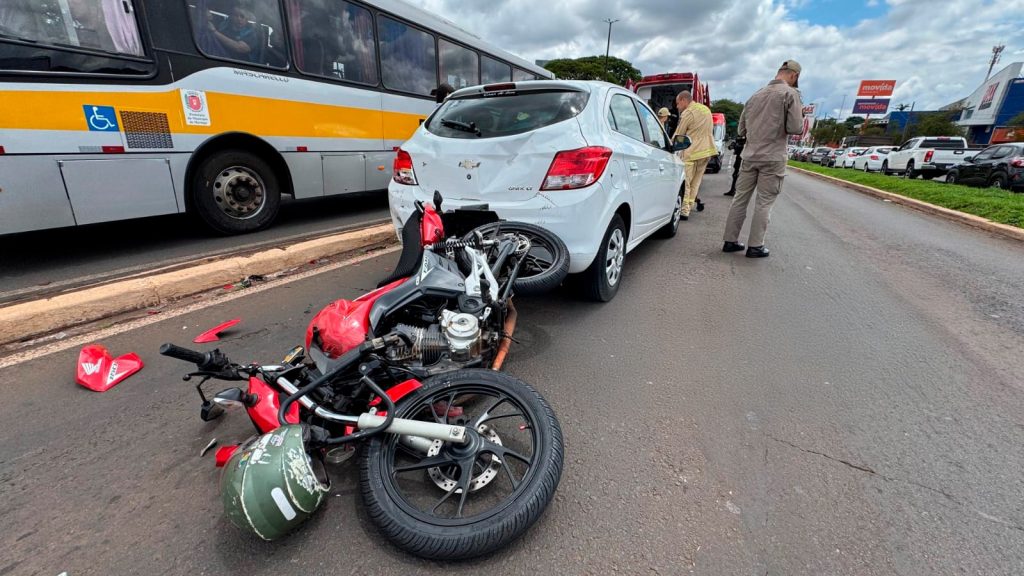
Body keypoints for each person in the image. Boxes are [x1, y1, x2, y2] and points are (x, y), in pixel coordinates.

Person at [722, 60, 804, 258]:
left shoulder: (754, 96)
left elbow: (741, 129)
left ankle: (730, 241)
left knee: (740, 198)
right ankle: (755, 245)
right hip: (773, 156)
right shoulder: (790, 94)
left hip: (750, 155)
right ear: (794, 76)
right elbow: (795, 128)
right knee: (764, 202)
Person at [672, 91, 718, 220]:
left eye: (677, 103)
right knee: (696, 182)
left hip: (692, 152)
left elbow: (679, 134)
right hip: (707, 151)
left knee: (686, 182)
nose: (677, 107)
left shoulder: (688, 113)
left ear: (683, 100)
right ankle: (690, 205)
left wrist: (668, 145)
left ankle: (684, 210)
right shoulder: (705, 109)